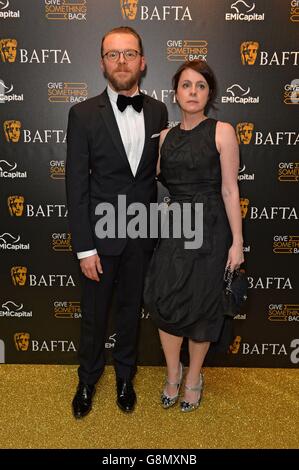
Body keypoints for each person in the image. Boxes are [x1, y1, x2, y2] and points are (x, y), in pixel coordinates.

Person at [66, 26, 168, 418]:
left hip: (141, 236)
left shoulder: (158, 110)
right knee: (93, 316)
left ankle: (126, 376)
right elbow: (76, 185)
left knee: (130, 312)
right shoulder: (81, 113)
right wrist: (85, 247)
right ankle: (87, 379)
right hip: (100, 237)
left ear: (142, 61)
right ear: (102, 63)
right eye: (113, 54)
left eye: (129, 53)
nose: (121, 61)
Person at [144, 59, 244, 412]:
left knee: (203, 306)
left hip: (212, 229)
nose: (193, 92)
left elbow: (231, 190)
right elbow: (148, 180)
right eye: (186, 85)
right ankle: (173, 373)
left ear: (209, 94)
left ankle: (193, 378)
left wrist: (236, 242)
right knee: (165, 299)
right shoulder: (166, 138)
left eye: (200, 86)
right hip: (175, 227)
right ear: (175, 92)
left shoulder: (222, 132)